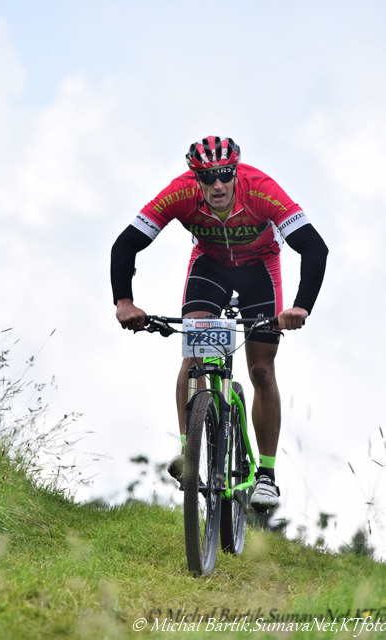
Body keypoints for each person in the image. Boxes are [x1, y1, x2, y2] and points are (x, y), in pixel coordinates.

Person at [111, 136, 328, 510]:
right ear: (195, 178)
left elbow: (314, 246)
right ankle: (189, 452)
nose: (217, 185)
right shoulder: (179, 193)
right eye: (207, 177)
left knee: (261, 369)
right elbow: (126, 244)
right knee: (194, 356)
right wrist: (124, 302)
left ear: (236, 172)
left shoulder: (261, 189)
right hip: (210, 268)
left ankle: (266, 475)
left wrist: (301, 307)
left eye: (225, 175)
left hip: (260, 270)